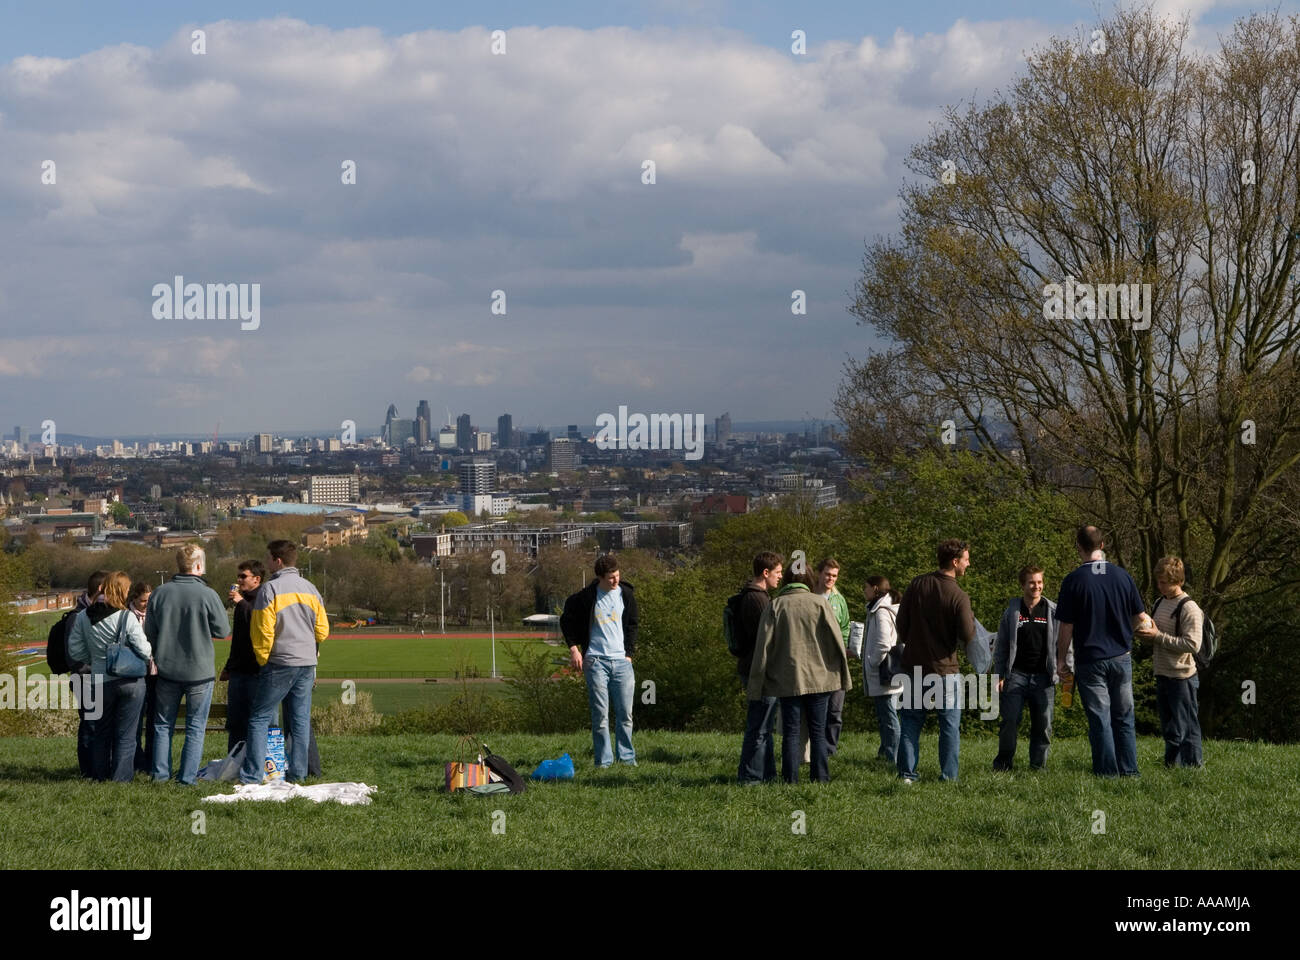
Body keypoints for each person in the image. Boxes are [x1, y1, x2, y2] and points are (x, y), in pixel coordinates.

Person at [1054, 526, 1146, 777]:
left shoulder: (1073, 581)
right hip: (1121, 657)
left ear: (1079, 547)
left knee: (1100, 718)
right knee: (1124, 717)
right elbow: (1140, 618)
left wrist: (1061, 660)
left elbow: (1066, 627)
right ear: (1103, 545)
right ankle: (1129, 772)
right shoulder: (1122, 576)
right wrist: (1128, 633)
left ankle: (1107, 773)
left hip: (1090, 660)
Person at [748, 567, 852, 784]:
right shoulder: (820, 603)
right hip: (820, 677)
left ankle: (790, 779)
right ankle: (821, 778)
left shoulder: (776, 605)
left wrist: (756, 684)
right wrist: (843, 676)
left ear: (786, 580)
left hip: (787, 679)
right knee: (818, 730)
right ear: (810, 580)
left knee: (791, 732)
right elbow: (837, 641)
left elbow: (762, 648)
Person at [239, 540, 329, 784]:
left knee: (259, 717)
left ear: (277, 560)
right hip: (306, 662)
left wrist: (263, 659)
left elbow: (262, 631)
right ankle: (298, 774)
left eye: (268, 558)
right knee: (299, 720)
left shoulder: (270, 590)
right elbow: (322, 631)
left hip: (279, 662)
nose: (267, 563)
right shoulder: (311, 589)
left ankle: (252, 775)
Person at [146, 544, 231, 785]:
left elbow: (149, 634)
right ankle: (187, 778)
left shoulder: (160, 593)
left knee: (163, 725)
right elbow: (224, 630)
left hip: (167, 669)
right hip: (199, 671)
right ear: (198, 566)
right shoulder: (208, 594)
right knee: (195, 727)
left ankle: (160, 775)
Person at [895, 539, 976, 783]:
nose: (968, 563)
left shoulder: (917, 584)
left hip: (914, 666)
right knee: (949, 724)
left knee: (910, 721)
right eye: (966, 559)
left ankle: (907, 775)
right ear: (955, 562)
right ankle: (948, 776)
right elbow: (968, 636)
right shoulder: (958, 596)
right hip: (945, 669)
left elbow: (901, 625)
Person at [66, 571, 152, 782]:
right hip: (130, 681)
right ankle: (121, 779)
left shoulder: (84, 617)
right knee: (126, 734)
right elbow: (144, 650)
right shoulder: (126, 617)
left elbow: (75, 650)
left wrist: (95, 658)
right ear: (122, 591)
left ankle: (99, 776)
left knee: (101, 732)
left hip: (100, 680)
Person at [561, 553, 639, 768]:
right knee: (600, 716)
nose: (615, 581)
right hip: (595, 662)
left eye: (617, 575)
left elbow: (632, 625)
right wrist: (574, 649)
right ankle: (603, 763)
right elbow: (566, 621)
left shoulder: (626, 594)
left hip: (622, 662)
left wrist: (629, 655)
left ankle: (627, 760)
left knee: (625, 715)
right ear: (600, 578)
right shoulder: (585, 598)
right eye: (611, 577)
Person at [992, 565, 1070, 771]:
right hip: (1016, 675)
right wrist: (998, 675)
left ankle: (1038, 767)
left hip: (1044, 678)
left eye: (1039, 582)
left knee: (1044, 725)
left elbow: (1065, 642)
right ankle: (1003, 764)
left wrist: (1066, 670)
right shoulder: (1012, 611)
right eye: (1032, 583)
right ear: (1023, 585)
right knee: (1009, 722)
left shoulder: (1053, 611)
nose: (1036, 586)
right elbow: (1001, 645)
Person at [1136, 556, 1204, 768]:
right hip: (1162, 672)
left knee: (1187, 726)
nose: (1160, 586)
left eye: (1164, 582)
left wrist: (1157, 637)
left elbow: (1193, 644)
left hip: (1182, 676)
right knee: (1169, 727)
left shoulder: (1189, 607)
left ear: (1178, 581)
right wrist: (1144, 634)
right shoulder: (1160, 602)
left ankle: (1193, 767)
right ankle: (1171, 765)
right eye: (1159, 581)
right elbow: (1157, 634)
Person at [735, 551, 783, 783]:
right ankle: (751, 778)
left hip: (754, 667)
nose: (780, 577)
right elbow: (767, 639)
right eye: (778, 572)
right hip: (759, 670)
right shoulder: (758, 599)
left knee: (764, 724)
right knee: (759, 726)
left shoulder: (752, 595)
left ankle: (767, 775)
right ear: (766, 573)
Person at [61, 570, 109, 778]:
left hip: (94, 677)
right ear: (100, 590)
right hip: (86, 678)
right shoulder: (78, 617)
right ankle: (88, 772)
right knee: (90, 725)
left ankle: (96, 769)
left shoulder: (93, 613)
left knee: (96, 724)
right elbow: (74, 656)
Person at [221, 560, 267, 753]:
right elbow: (237, 640)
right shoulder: (244, 600)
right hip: (239, 670)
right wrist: (229, 666)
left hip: (256, 670)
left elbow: (259, 625)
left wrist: (241, 603)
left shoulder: (263, 598)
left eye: (243, 576)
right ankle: (234, 761)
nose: (239, 580)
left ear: (256, 579)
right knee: (236, 721)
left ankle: (258, 761)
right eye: (238, 576)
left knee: (255, 720)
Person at [861, 575, 903, 764]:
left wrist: (871, 662)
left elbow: (884, 643)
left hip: (883, 671)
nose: (864, 591)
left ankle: (891, 756)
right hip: (892, 670)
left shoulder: (881, 611)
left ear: (875, 589)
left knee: (887, 715)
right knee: (887, 713)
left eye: (866, 587)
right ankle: (885, 752)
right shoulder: (888, 607)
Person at [813, 558, 851, 755]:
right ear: (819, 573)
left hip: (836, 661)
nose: (830, 578)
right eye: (827, 574)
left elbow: (845, 627)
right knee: (816, 708)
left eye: (834, 575)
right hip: (813, 661)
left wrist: (843, 647)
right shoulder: (809, 596)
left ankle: (830, 749)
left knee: (835, 709)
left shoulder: (839, 600)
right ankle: (815, 748)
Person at [126, 580, 157, 774]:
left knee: (153, 719)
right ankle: (137, 761)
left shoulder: (154, 615)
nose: (147, 604)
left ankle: (151, 760)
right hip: (135, 673)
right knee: (135, 721)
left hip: (154, 674)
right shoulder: (127, 616)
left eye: (150, 600)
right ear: (135, 599)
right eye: (144, 600)